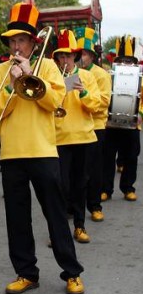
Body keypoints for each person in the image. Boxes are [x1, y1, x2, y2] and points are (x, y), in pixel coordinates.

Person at [0, 2, 84, 294]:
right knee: (16, 218)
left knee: (55, 214)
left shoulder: (48, 65)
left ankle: (72, 273)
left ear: (32, 43)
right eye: (12, 41)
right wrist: (13, 84)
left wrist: (31, 76)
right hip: (12, 154)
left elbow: (54, 102)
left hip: (43, 150)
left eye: (21, 40)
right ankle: (26, 273)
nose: (16, 46)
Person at [52, 29, 100, 244]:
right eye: (61, 55)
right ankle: (60, 231)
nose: (65, 59)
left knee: (80, 185)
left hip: (84, 138)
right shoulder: (52, 77)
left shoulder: (87, 77)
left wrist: (83, 92)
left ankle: (79, 226)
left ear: (75, 57)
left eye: (69, 55)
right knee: (60, 186)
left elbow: (96, 106)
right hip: (59, 139)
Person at [75, 27, 112, 222]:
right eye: (78, 53)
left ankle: (95, 205)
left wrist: (86, 103)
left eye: (83, 53)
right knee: (76, 171)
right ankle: (73, 206)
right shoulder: (70, 72)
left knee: (94, 170)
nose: (80, 57)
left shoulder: (101, 75)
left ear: (90, 55)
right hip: (74, 128)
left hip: (95, 126)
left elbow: (104, 101)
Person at [101, 35, 142, 202]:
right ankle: (105, 189)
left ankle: (128, 188)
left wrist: (140, 113)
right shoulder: (108, 76)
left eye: (128, 60)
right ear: (116, 61)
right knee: (107, 158)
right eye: (122, 60)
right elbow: (103, 97)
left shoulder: (140, 78)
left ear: (133, 62)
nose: (125, 63)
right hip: (111, 125)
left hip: (132, 126)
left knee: (131, 157)